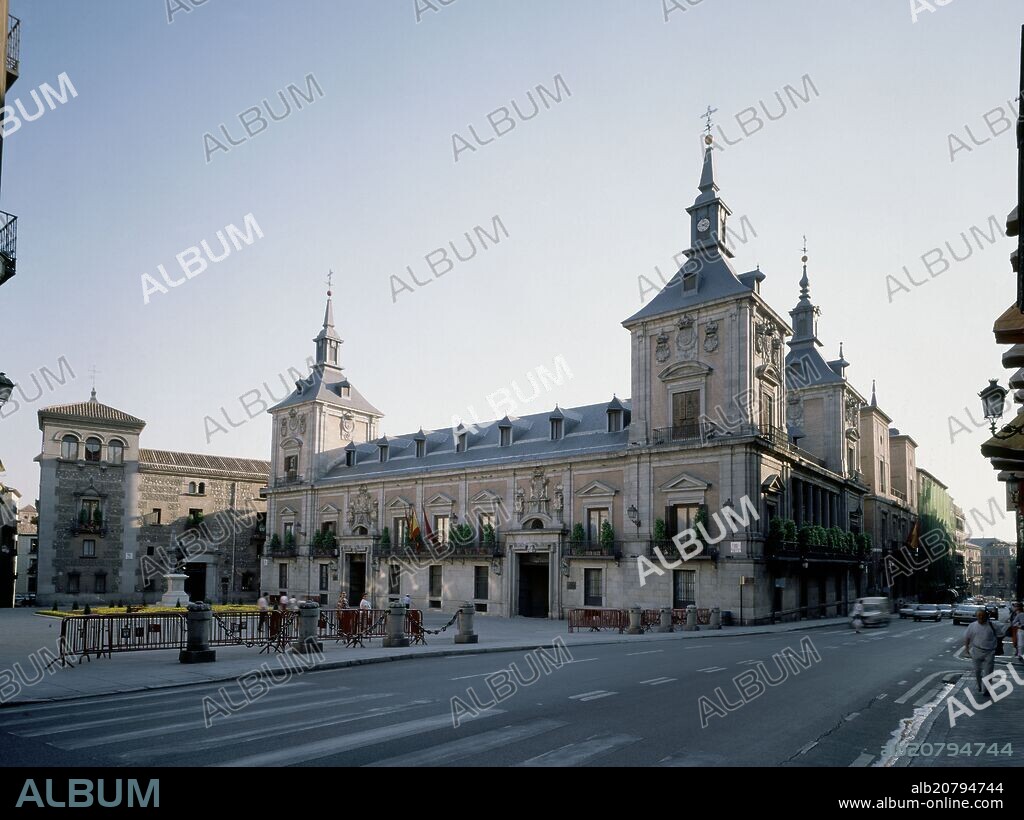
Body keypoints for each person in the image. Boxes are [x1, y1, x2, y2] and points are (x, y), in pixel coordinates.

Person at [964, 607, 1006, 697]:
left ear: (986, 617)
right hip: (976, 651)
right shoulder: (972, 626)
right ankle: (980, 686)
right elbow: (967, 638)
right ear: (976, 616)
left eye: (983, 616)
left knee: (988, 672)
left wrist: (995, 643)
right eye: (979, 616)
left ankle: (986, 690)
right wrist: (966, 649)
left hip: (989, 652)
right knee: (977, 671)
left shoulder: (992, 625)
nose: (981, 617)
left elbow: (1001, 634)